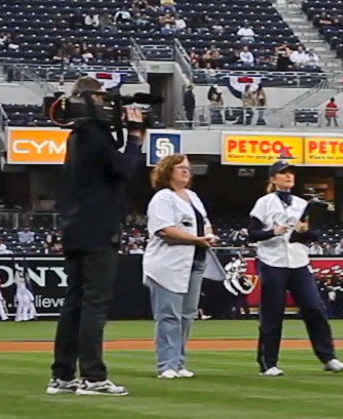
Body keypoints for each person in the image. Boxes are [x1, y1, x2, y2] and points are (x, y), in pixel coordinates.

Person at [48, 78, 146, 397]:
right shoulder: (93, 133)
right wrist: (134, 138)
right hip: (98, 228)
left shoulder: (77, 134)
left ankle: (62, 375)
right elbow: (123, 169)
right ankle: (93, 376)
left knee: (74, 302)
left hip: (76, 227)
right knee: (94, 303)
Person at [248, 160, 343, 376]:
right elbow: (252, 233)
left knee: (314, 307)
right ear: (273, 179)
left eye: (290, 173)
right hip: (272, 261)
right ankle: (268, 362)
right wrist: (273, 231)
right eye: (282, 174)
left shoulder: (302, 204)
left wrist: (303, 230)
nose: (288, 177)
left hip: (298, 262)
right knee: (272, 313)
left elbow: (313, 236)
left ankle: (328, 356)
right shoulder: (264, 203)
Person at [144, 154, 218, 379]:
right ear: (168, 171)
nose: (186, 171)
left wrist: (208, 235)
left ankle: (179, 361)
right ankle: (166, 364)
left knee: (187, 314)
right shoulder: (163, 198)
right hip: (167, 263)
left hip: (194, 261)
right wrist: (197, 239)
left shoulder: (193, 197)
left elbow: (204, 223)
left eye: (188, 168)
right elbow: (165, 230)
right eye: (180, 168)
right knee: (169, 315)